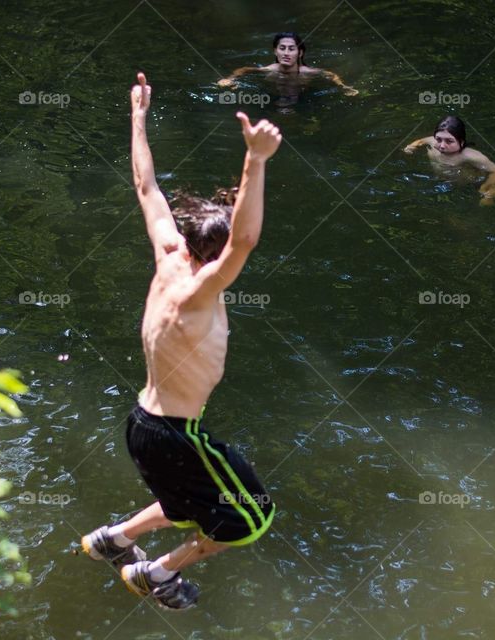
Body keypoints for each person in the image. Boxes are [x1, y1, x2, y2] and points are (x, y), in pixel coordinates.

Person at [81, 72, 281, 611]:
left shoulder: (170, 252)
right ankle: (156, 573)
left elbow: (147, 187)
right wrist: (255, 160)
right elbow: (245, 239)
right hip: (174, 433)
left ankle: (112, 540)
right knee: (252, 515)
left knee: (189, 499)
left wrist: (138, 117)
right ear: (214, 260)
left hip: (143, 424)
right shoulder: (199, 291)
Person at [404, 115, 495, 205]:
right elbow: (421, 141)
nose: (442, 146)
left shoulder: (471, 156)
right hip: (442, 183)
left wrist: (487, 190)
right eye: (439, 139)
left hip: (467, 186)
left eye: (449, 141)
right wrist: (411, 147)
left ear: (461, 142)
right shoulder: (433, 141)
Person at [217, 32, 358, 97]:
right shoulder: (269, 70)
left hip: (303, 97)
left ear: (300, 53)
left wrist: (342, 86)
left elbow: (329, 74)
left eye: (291, 49)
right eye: (282, 48)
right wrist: (231, 78)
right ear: (275, 51)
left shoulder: (307, 72)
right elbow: (245, 69)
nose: (286, 53)